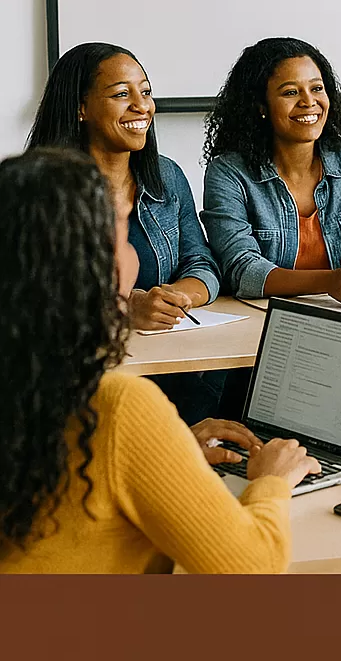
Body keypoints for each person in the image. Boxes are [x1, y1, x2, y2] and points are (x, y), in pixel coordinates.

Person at [0, 149, 319, 574]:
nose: (134, 255)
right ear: (97, 267)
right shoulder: (117, 406)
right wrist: (271, 481)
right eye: (122, 236)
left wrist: (168, 452)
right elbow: (252, 568)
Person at [27, 42, 226, 424]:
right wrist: (124, 309)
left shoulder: (166, 176)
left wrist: (176, 296)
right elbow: (35, 299)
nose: (142, 106)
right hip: (84, 382)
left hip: (170, 363)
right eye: (121, 94)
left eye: (146, 91)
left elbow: (201, 262)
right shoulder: (42, 187)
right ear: (80, 108)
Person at [202, 37, 341, 301]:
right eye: (290, 92)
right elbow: (241, 269)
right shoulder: (228, 173)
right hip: (260, 320)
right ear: (261, 106)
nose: (309, 102)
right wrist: (330, 281)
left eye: (317, 88)